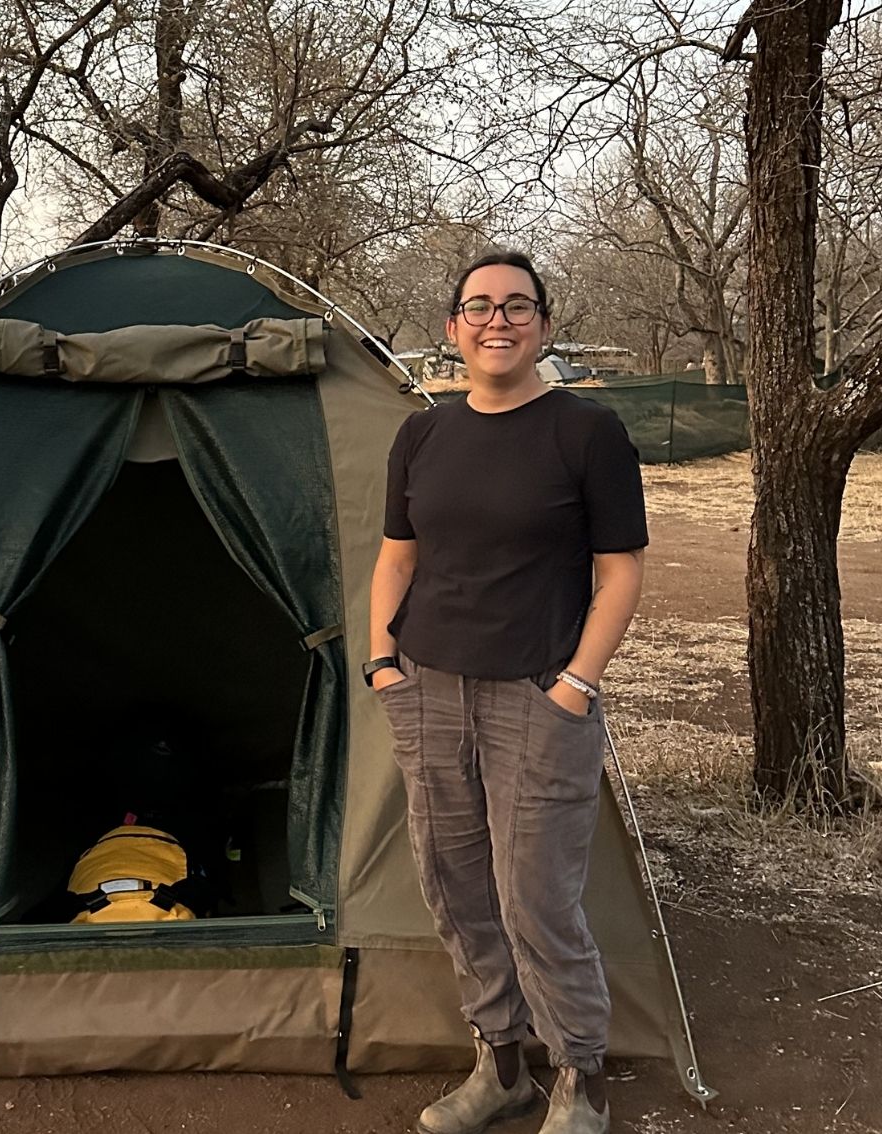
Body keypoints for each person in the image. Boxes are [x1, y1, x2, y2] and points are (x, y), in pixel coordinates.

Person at [365, 251, 646, 1134]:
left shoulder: (587, 432)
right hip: (429, 690)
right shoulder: (423, 435)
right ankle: (501, 1066)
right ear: (453, 328)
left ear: (544, 327)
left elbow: (621, 572)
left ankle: (578, 1077)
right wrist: (384, 665)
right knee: (454, 885)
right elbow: (397, 558)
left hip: (538, 696)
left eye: (517, 306)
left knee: (536, 897)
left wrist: (575, 684)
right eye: (478, 306)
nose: (498, 320)